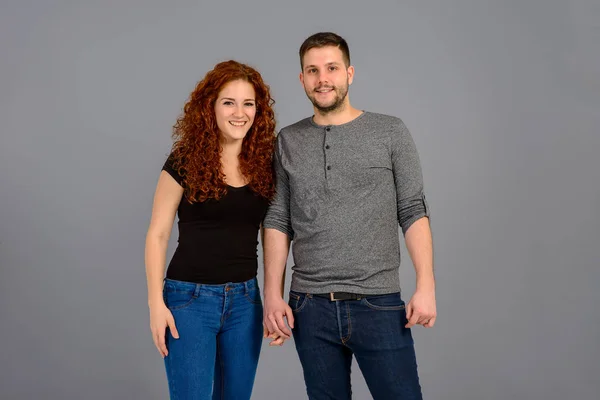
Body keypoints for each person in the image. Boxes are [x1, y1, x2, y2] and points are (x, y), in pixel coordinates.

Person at [262, 32, 437, 399]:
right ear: (302, 79)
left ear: (349, 73)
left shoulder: (390, 131)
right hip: (309, 305)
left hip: (378, 302)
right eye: (312, 70)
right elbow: (278, 219)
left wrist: (426, 285)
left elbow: (412, 209)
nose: (322, 78)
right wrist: (272, 295)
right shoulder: (287, 140)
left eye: (331, 68)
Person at [144, 60, 276, 400]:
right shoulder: (184, 160)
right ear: (210, 107)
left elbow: (274, 233)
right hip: (188, 301)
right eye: (228, 102)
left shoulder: (264, 163)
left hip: (246, 303)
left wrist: (275, 297)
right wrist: (155, 305)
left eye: (248, 103)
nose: (239, 112)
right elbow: (157, 234)